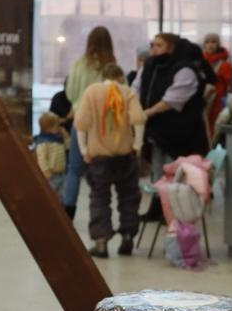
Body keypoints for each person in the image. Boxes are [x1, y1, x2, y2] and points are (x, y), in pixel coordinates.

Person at [74, 59, 142, 257]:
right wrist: (138, 145)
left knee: (99, 198)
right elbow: (138, 120)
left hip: (99, 158)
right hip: (125, 156)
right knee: (129, 197)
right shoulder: (128, 92)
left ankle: (101, 242)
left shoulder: (91, 91)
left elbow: (81, 123)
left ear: (103, 77)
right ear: (121, 77)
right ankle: (127, 237)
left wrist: (84, 148)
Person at [60, 25, 117, 219]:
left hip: (80, 121)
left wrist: (77, 103)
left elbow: (70, 93)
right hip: (102, 125)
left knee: (74, 170)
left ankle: (68, 212)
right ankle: (99, 214)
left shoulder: (79, 65)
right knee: (100, 171)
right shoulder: (111, 68)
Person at [136, 30, 211, 166]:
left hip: (181, 135)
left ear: (171, 48)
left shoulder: (185, 70)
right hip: (154, 132)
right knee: (158, 174)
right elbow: (136, 89)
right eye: (153, 45)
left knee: (179, 175)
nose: (154, 49)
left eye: (159, 45)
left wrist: (147, 113)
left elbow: (171, 101)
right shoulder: (149, 66)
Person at [199, 30, 232, 136]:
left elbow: (229, 85)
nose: (210, 45)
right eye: (207, 42)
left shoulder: (225, 65)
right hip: (201, 98)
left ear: (218, 44)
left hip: (217, 100)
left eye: (213, 42)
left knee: (214, 128)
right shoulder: (199, 61)